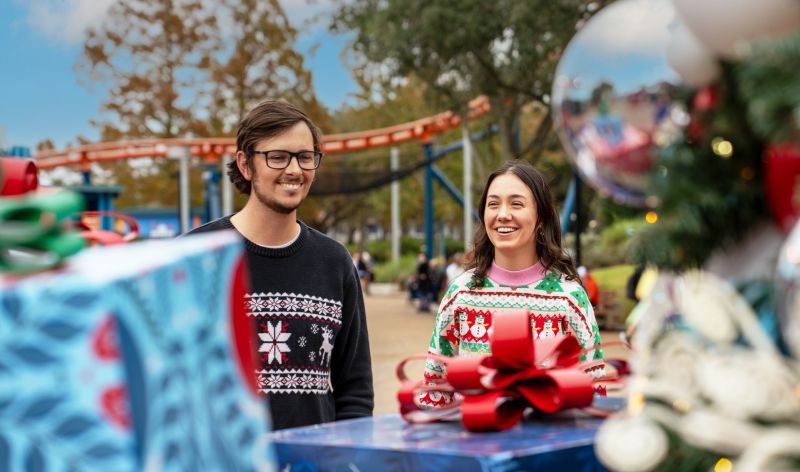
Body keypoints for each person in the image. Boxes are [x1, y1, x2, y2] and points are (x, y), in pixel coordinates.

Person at [185, 100, 373, 430]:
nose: (294, 170)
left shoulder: (335, 262)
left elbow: (355, 388)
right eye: (277, 156)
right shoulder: (194, 256)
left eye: (305, 157)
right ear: (245, 164)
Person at [419, 160, 605, 409]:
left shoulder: (570, 297)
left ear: (541, 218)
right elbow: (435, 390)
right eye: (493, 204)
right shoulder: (460, 293)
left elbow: (592, 392)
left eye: (516, 204)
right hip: (473, 440)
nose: (502, 214)